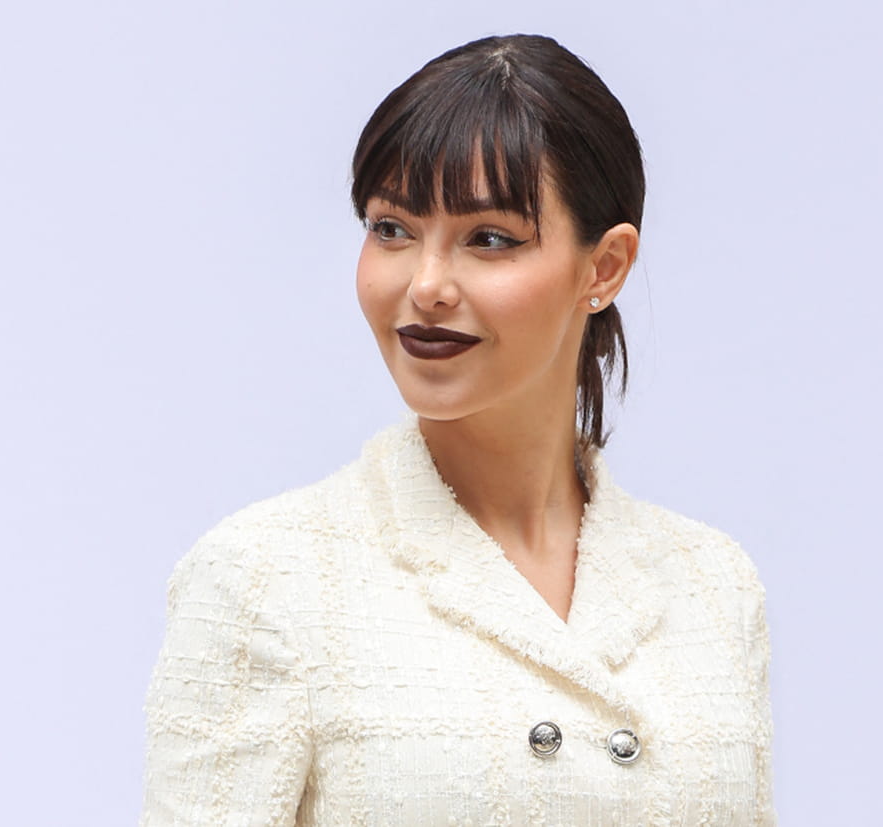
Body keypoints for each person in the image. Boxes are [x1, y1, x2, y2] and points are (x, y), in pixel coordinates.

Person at [140, 33, 776, 826]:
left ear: (605, 267)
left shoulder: (712, 585)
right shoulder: (266, 579)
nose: (427, 285)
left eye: (490, 239)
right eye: (392, 228)